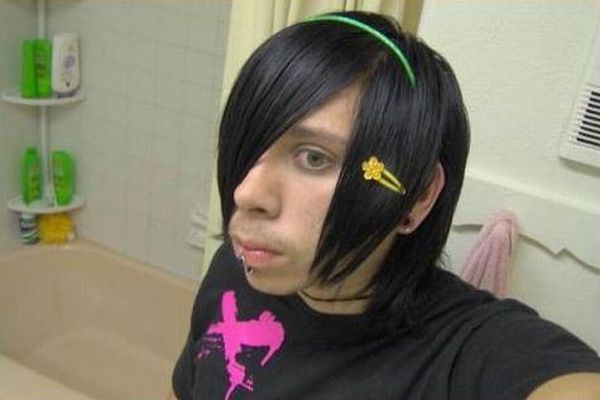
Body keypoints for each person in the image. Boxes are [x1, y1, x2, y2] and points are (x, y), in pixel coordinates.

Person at [172, 11, 600, 400]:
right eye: (248, 146)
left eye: (314, 158)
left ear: (416, 197)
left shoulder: (464, 354)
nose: (246, 194)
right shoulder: (236, 267)